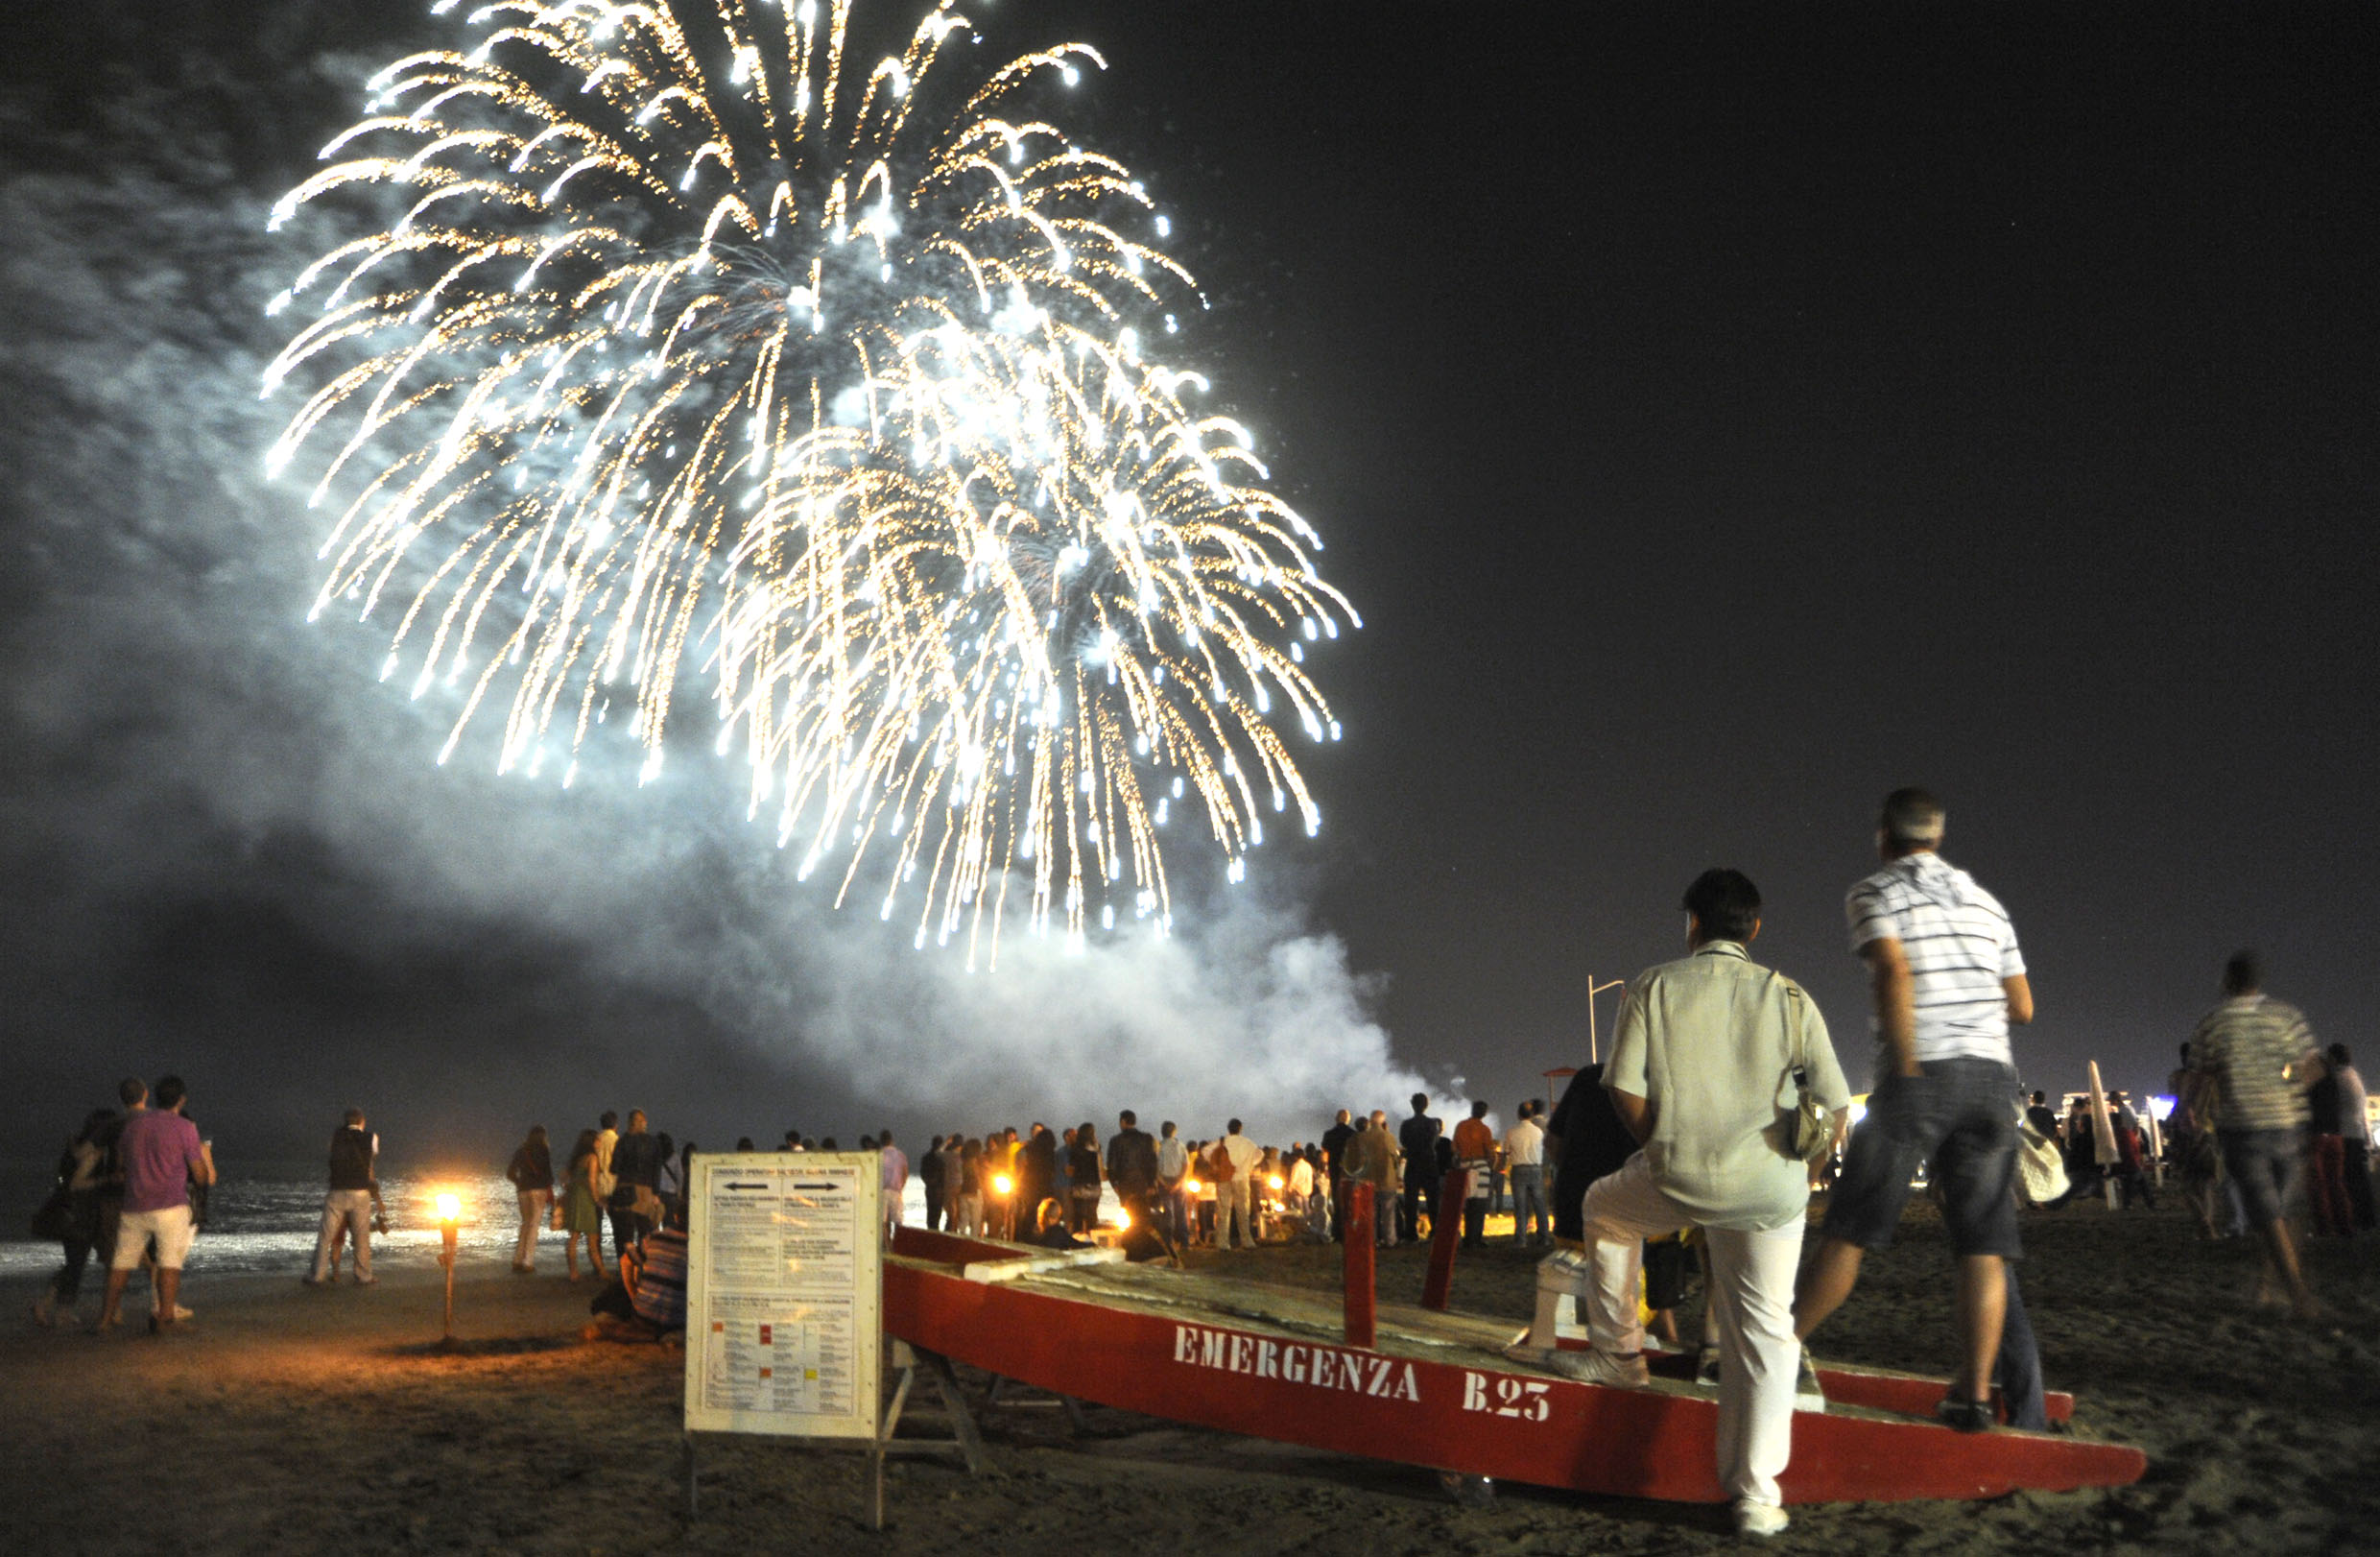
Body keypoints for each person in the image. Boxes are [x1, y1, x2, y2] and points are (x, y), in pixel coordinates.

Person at [1511, 869, 1848, 1541]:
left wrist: (1659, 1148)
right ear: (1754, 927)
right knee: (1766, 1333)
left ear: (1691, 923)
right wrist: (1801, 1180)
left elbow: (1622, 1088)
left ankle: (1619, 1356)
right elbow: (1836, 1107)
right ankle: (1757, 1497)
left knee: (1604, 1209)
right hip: (1769, 1189)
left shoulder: (1655, 985)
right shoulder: (1790, 995)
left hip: (1679, 1176)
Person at [1794, 788, 2035, 1433]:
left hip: (1920, 1072)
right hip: (1993, 1081)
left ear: (1884, 837)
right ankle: (1973, 1396)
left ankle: (1780, 1348)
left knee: (1852, 1228)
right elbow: (2023, 1005)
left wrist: (1905, 1062)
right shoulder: (1987, 904)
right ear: (1938, 834)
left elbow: (1893, 971)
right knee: (1983, 1246)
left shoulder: (1875, 892)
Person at [2189, 950, 2329, 1318]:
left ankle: (2297, 1295)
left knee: (2268, 1213)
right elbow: (2314, 1067)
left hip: (2242, 1125)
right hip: (2288, 1122)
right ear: (2258, 981)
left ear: (2226, 982)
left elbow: (2200, 1076)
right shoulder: (2286, 1015)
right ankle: (2269, 1288)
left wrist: (2193, 1113)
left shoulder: (2212, 1022)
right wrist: (2286, 1084)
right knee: (2287, 1211)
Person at [97, 1077, 214, 1334]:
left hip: (134, 1205)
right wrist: (202, 1174)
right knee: (169, 1263)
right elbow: (199, 1173)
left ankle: (105, 1320)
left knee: (121, 1264)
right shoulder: (185, 1127)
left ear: (154, 1096)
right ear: (181, 1099)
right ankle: (165, 1318)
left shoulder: (134, 1126)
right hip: (170, 1205)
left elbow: (120, 1163)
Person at [32, 1107, 117, 1329]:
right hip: (80, 1213)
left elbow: (64, 1179)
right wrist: (106, 1180)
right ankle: (48, 1305)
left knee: (75, 1262)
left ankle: (60, 1309)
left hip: (68, 1211)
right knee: (76, 1263)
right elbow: (76, 1183)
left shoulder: (75, 1148)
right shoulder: (94, 1152)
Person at [306, 1107, 381, 1286]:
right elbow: (370, 1162)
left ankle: (317, 1275)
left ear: (345, 1121)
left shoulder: (336, 1136)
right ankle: (363, 1276)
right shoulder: (371, 1137)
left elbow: (331, 1153)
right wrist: (376, 1194)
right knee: (361, 1237)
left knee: (325, 1237)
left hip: (337, 1191)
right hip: (360, 1192)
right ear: (362, 1121)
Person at [2328, 1043, 2375, 1231]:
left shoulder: (2338, 1079)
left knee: (2349, 1180)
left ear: (2334, 1058)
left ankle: (2357, 1219)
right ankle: (2368, 1219)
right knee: (2360, 1179)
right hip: (2357, 1134)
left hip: (2346, 1135)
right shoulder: (2354, 1077)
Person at [607, 1110, 663, 1257]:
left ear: (629, 1123)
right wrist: (656, 1193)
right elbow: (657, 1170)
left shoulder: (623, 1141)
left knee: (626, 1237)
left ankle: (628, 1265)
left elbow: (613, 1168)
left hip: (625, 1191)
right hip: (645, 1192)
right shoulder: (653, 1142)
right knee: (644, 1234)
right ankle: (643, 1265)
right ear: (643, 1122)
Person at [1345, 1111, 1401, 1247]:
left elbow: (1354, 1161)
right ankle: (1390, 1240)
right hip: (1386, 1181)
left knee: (1370, 1214)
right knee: (1388, 1214)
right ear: (1383, 1121)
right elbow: (1395, 1160)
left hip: (1367, 1181)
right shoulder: (1389, 1137)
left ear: (1370, 1121)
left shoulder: (1361, 1138)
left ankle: (1371, 1240)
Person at [507, 1124, 555, 1274]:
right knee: (534, 1225)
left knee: (526, 1224)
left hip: (523, 1191)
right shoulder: (543, 1150)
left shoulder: (521, 1151)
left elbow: (510, 1173)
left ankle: (517, 1259)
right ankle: (528, 1261)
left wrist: (519, 1182)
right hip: (538, 1190)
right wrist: (549, 1187)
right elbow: (548, 1173)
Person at [561, 1127, 607, 1281]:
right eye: (598, 1139)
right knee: (592, 1237)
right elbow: (592, 1181)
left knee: (574, 1237)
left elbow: (563, 1178)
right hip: (586, 1199)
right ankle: (602, 1271)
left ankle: (573, 1272)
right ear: (592, 1142)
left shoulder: (577, 1159)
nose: (600, 1142)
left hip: (575, 1197)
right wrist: (597, 1199)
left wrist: (569, 1188)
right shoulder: (592, 1158)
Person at [1398, 1093, 1440, 1242]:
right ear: (1426, 1105)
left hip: (1413, 1163)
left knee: (1411, 1200)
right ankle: (1435, 1230)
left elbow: (1403, 1141)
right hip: (1428, 1163)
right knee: (1433, 1200)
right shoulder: (1432, 1123)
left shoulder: (1406, 1124)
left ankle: (1411, 1232)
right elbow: (1434, 1142)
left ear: (1412, 1105)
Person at [1453, 1100, 1495, 1248]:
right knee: (1480, 1204)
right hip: (1480, 1166)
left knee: (1468, 1203)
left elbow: (1454, 1148)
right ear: (1484, 1113)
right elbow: (1489, 1151)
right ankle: (1476, 1238)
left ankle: (1467, 1237)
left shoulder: (1461, 1126)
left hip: (1464, 1166)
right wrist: (1491, 1165)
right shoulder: (1484, 1129)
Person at [1506, 1100, 1549, 1246]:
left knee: (1520, 1206)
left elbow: (1506, 1151)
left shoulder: (1511, 1131)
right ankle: (1544, 1238)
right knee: (1540, 1205)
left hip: (1518, 1170)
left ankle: (1521, 1239)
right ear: (1531, 1115)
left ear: (1518, 1114)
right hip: (1536, 1169)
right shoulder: (1538, 1132)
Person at [1107, 1111, 1158, 1226]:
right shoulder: (1147, 1138)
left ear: (1123, 1122)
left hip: (1124, 1182)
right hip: (1143, 1182)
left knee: (1127, 1212)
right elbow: (1152, 1162)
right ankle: (1143, 1234)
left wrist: (1114, 1183)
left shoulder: (1116, 1141)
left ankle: (1131, 1235)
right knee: (1143, 1212)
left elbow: (1112, 1164)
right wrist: (1152, 1184)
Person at [1216, 1118, 1260, 1250]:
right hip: (1241, 1178)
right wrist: (1248, 1166)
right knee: (1243, 1210)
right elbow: (1259, 1154)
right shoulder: (1248, 1143)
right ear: (1240, 1129)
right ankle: (1247, 1241)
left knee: (1223, 1210)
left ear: (1228, 1128)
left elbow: (1208, 1153)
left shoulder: (1221, 1142)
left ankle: (1222, 1243)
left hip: (1224, 1178)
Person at [1320, 1108, 1356, 1241]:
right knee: (1350, 1201)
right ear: (1348, 1119)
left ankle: (1337, 1232)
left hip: (1335, 1170)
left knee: (1337, 1201)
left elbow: (1324, 1151)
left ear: (1336, 1118)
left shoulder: (1329, 1134)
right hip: (1350, 1171)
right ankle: (1350, 1230)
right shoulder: (1353, 1134)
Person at [1155, 1121, 1192, 1248]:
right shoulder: (1181, 1146)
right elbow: (1186, 1166)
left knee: (1168, 1213)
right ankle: (1185, 1242)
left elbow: (1155, 1169)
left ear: (1162, 1132)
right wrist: (1179, 1182)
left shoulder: (1158, 1147)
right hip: (1179, 1181)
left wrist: (1164, 1183)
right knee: (1181, 1212)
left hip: (1164, 1181)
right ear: (1174, 1132)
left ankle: (1168, 1242)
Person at [1066, 1123, 1102, 1234]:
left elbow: (1071, 1171)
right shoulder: (1097, 1148)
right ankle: (1092, 1238)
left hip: (1080, 1187)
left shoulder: (1076, 1149)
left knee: (1078, 1217)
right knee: (1092, 1216)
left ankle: (1077, 1239)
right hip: (1095, 1187)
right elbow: (1100, 1169)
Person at [879, 1129, 910, 1235]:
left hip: (881, 1191)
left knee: (883, 1221)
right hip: (896, 1190)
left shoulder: (878, 1155)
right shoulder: (900, 1155)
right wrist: (901, 1187)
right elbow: (905, 1173)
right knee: (898, 1220)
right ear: (892, 1140)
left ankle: (885, 1242)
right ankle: (898, 1241)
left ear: (881, 1141)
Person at [919, 1135, 948, 1233]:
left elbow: (922, 1173)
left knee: (930, 1213)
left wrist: (928, 1181)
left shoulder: (926, 1157)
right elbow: (944, 1173)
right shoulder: (942, 1158)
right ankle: (935, 1233)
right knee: (937, 1214)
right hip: (939, 1189)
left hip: (929, 1188)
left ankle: (930, 1232)